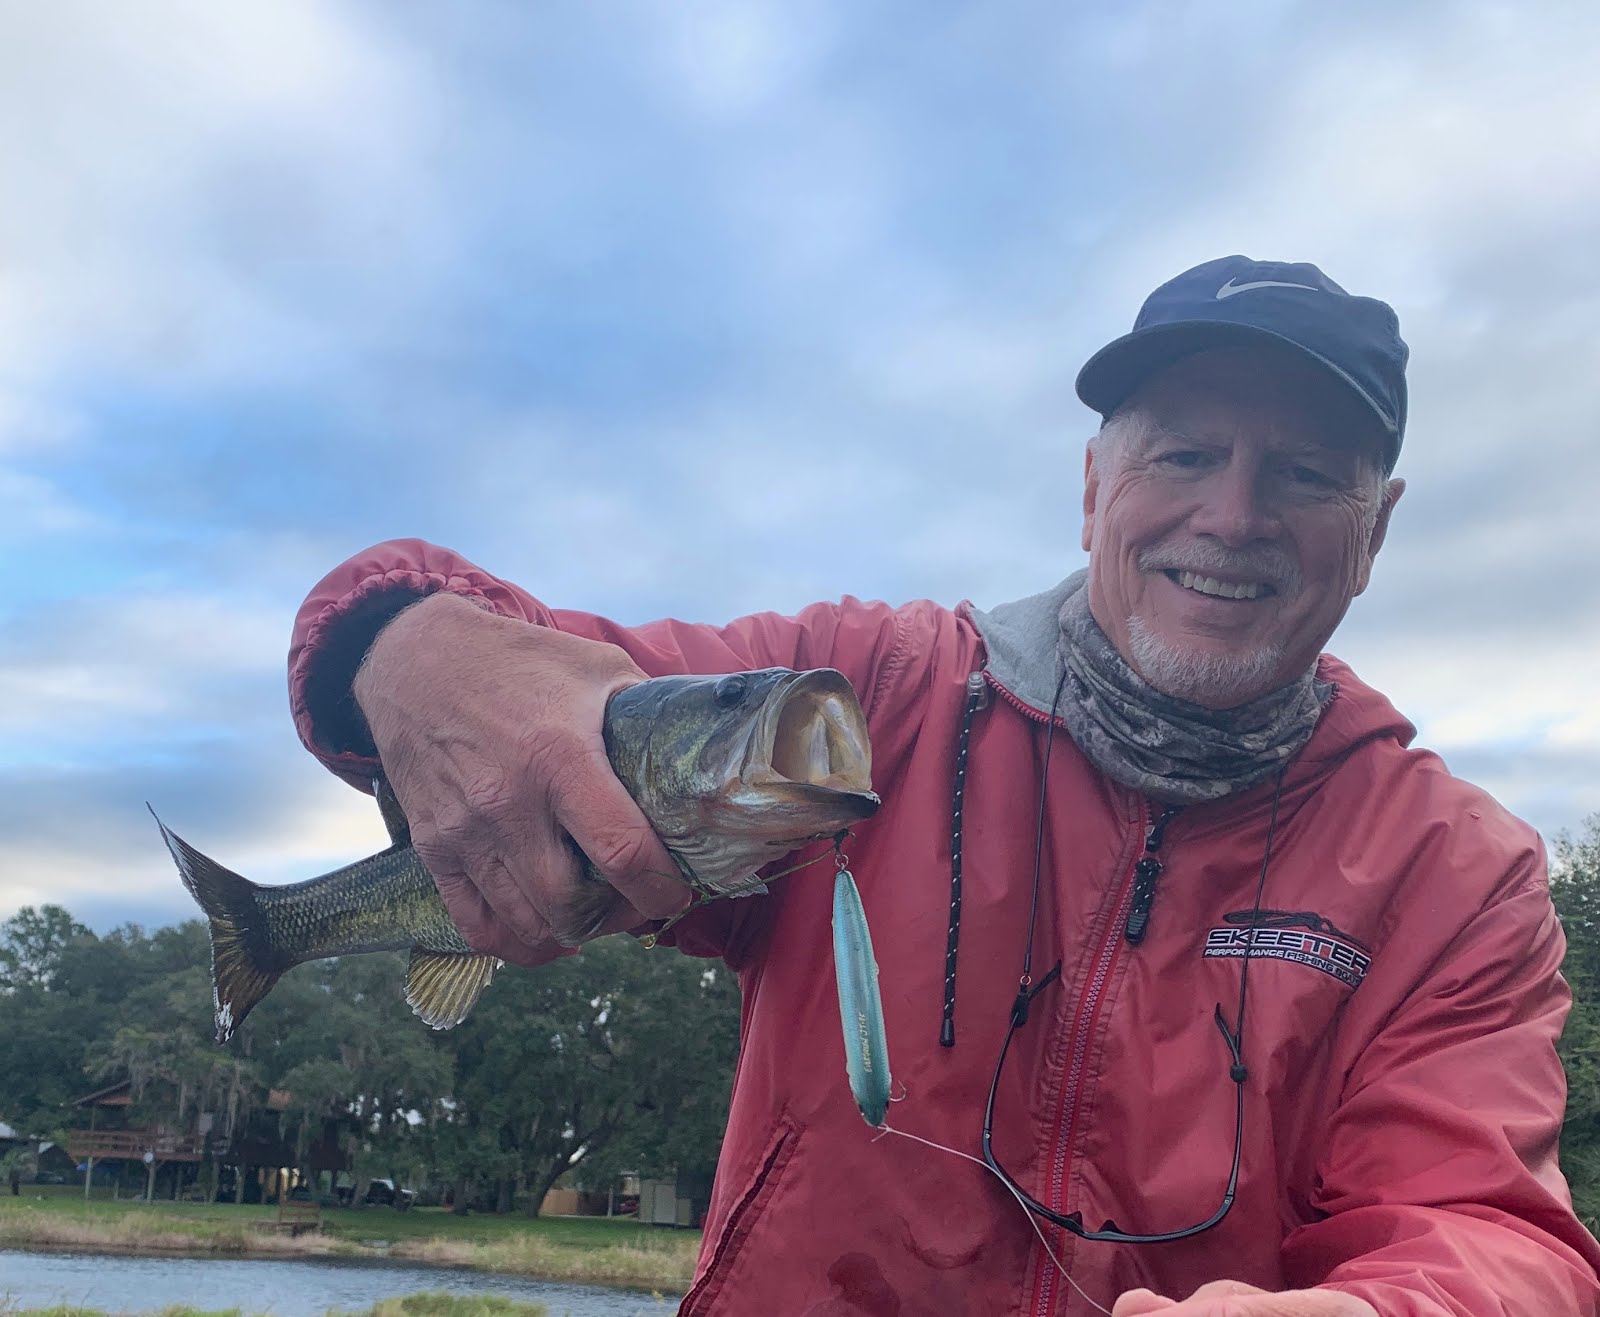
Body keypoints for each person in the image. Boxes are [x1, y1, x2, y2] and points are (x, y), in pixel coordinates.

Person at [286, 257, 1600, 1316]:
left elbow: (1490, 1234)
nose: (1235, 513)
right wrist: (398, 638)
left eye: (1307, 473)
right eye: (1184, 454)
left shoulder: (1455, 873)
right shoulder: (862, 698)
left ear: (1375, 533)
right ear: (1094, 487)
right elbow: (563, 687)